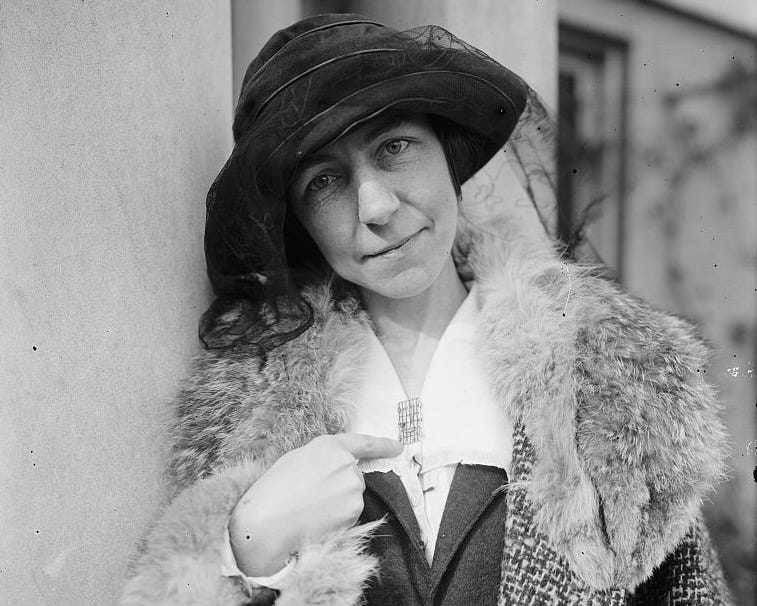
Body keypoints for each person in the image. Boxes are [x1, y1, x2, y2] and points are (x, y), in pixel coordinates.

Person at [119, 14, 731, 606]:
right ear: (299, 223)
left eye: (395, 146)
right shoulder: (244, 425)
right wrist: (250, 545)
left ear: (449, 157)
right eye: (324, 182)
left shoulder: (607, 387)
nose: (377, 205)